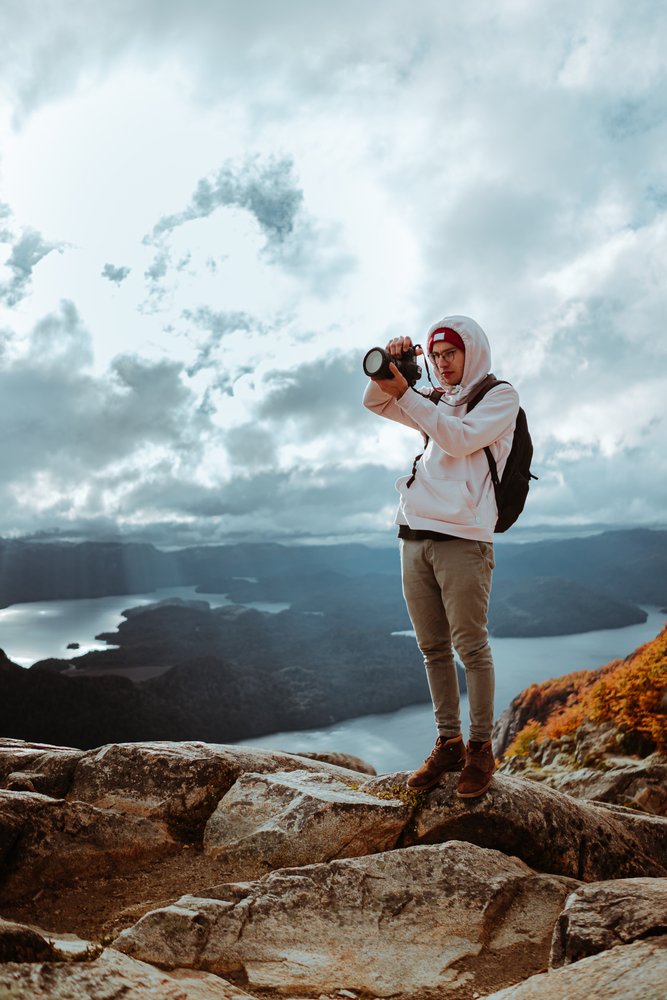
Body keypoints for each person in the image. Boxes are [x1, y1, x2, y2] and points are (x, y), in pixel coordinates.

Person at [363, 315, 520, 797]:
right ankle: (448, 741)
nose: (441, 363)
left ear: (471, 352)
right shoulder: (434, 399)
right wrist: (391, 370)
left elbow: (457, 438)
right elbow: (374, 401)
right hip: (415, 532)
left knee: (470, 648)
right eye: (434, 355)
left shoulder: (499, 397)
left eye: (449, 353)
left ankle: (479, 749)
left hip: (465, 537)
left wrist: (409, 393)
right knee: (432, 648)